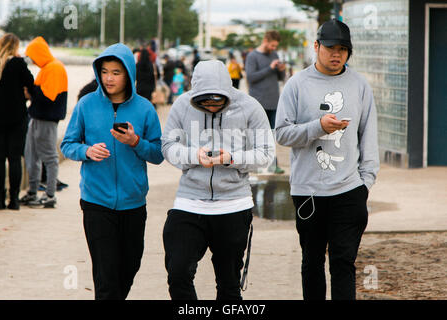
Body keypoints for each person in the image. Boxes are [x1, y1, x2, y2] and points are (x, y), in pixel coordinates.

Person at [275, 19, 379, 300]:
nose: (337, 54)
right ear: (317, 46)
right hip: (307, 192)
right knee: (311, 263)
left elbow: (369, 136)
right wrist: (318, 126)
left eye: (344, 49)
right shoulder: (296, 85)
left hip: (349, 191)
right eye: (331, 47)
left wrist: (365, 184)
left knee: (343, 263)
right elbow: (282, 134)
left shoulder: (359, 85)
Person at [161, 60, 275, 300]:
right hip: (189, 201)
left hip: (234, 204)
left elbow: (266, 154)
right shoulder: (181, 105)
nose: (211, 107)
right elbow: (168, 146)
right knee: (178, 272)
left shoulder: (250, 107)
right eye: (204, 102)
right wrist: (194, 156)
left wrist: (231, 158)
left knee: (229, 285)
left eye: (217, 101)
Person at [61, 43, 164, 300]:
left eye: (116, 72)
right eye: (104, 71)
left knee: (129, 268)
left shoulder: (144, 108)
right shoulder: (86, 105)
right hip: (96, 203)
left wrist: (135, 142)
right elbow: (67, 145)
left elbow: (159, 153)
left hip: (133, 203)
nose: (108, 78)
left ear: (128, 73)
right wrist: (86, 151)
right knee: (106, 276)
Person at [20, 36, 68, 208]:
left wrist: (30, 92)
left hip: (46, 119)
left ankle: (50, 195)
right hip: (36, 117)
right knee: (31, 155)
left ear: (39, 53)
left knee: (49, 156)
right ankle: (32, 192)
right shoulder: (47, 68)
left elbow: (48, 97)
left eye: (32, 56)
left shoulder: (54, 68)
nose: (31, 60)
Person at [0, 33, 34, 210]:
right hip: (17, 117)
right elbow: (31, 84)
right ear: (15, 47)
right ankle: (14, 200)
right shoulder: (18, 63)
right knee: (14, 159)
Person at [245, 30, 286, 174]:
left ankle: (273, 165)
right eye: (272, 45)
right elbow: (251, 78)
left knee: (272, 136)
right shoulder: (252, 56)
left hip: (274, 102)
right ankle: (256, 164)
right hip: (258, 102)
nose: (274, 49)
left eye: (276, 46)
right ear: (266, 40)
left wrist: (281, 69)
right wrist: (269, 68)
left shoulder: (274, 55)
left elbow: (280, 78)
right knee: (257, 135)